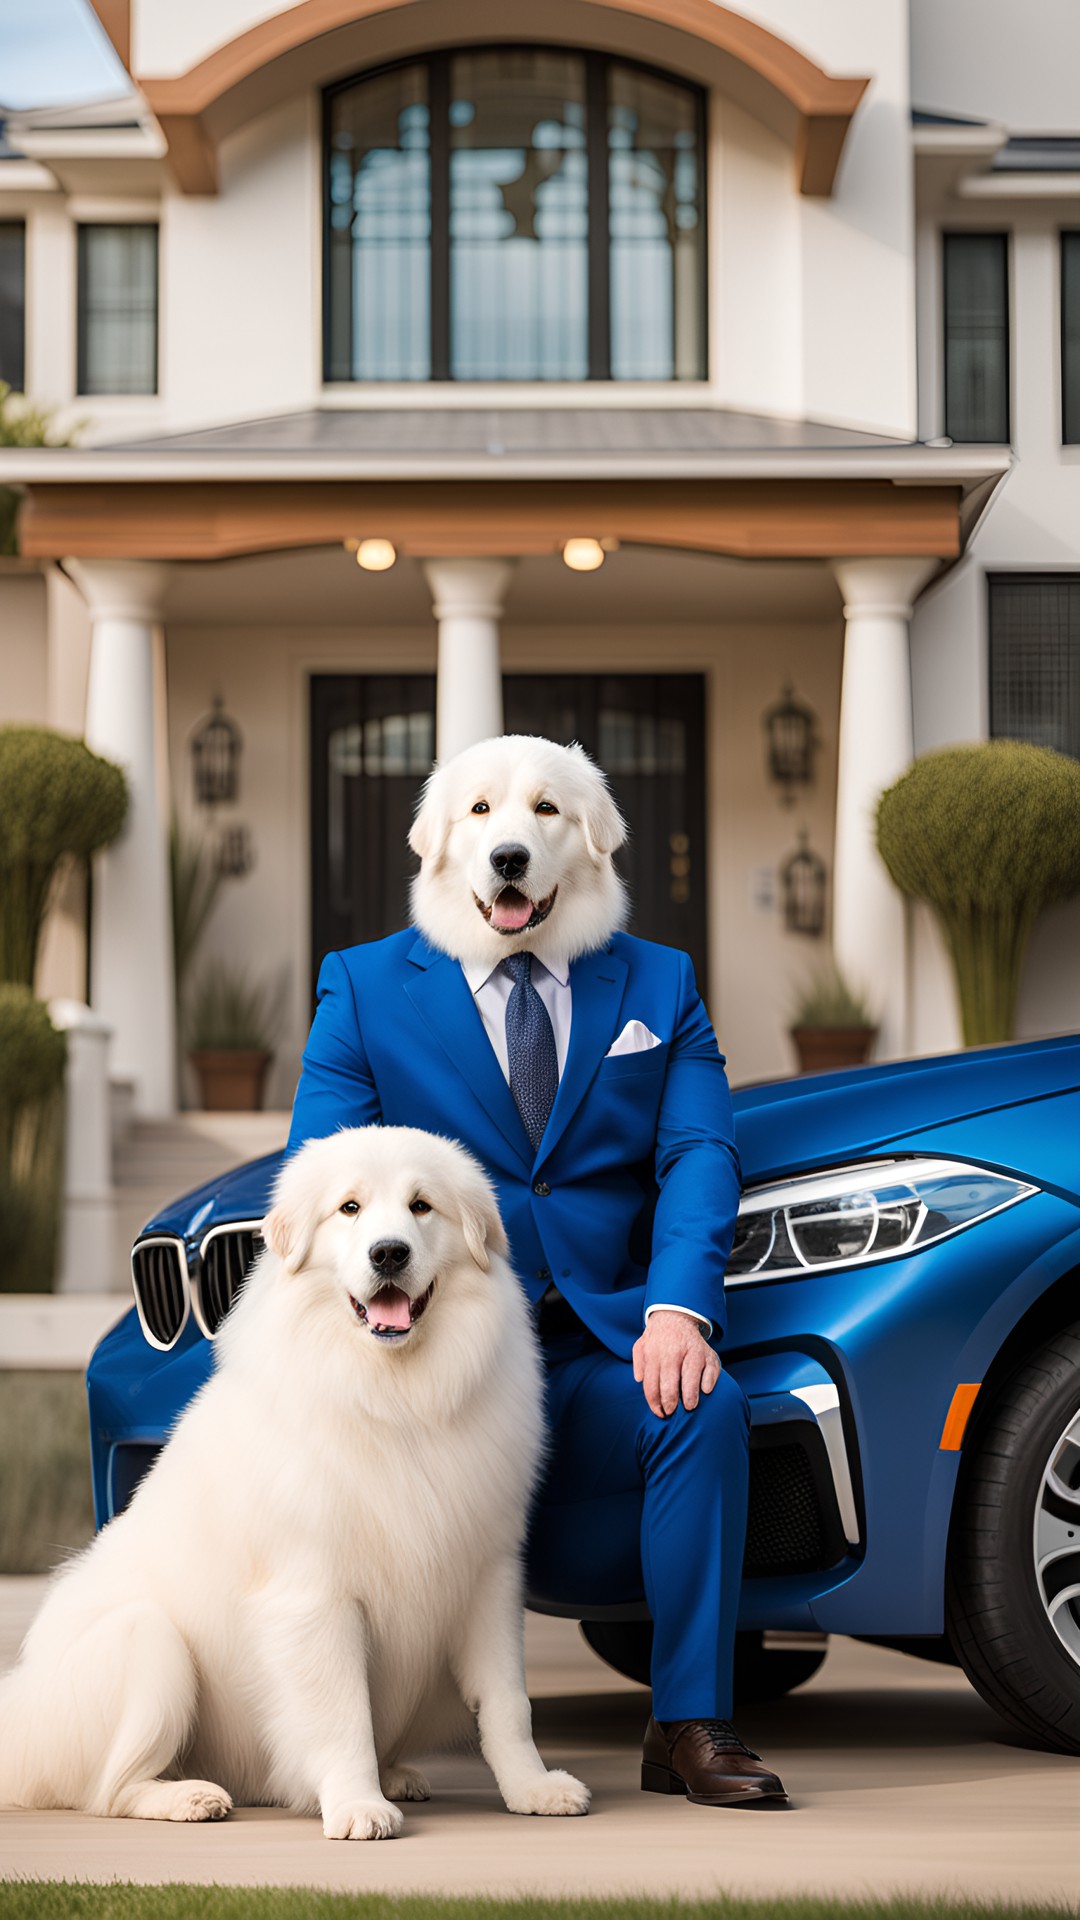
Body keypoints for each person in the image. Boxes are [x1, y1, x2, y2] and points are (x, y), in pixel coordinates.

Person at [286, 734, 788, 1808]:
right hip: (432, 1360)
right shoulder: (365, 989)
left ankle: (689, 1719)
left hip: (601, 1344)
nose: (511, 840)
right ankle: (346, 1734)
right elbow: (321, 1172)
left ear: (590, 843)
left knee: (703, 1406)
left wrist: (677, 1310)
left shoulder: (662, 981)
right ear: (440, 848)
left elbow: (700, 1151)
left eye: (544, 815)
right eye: (480, 815)